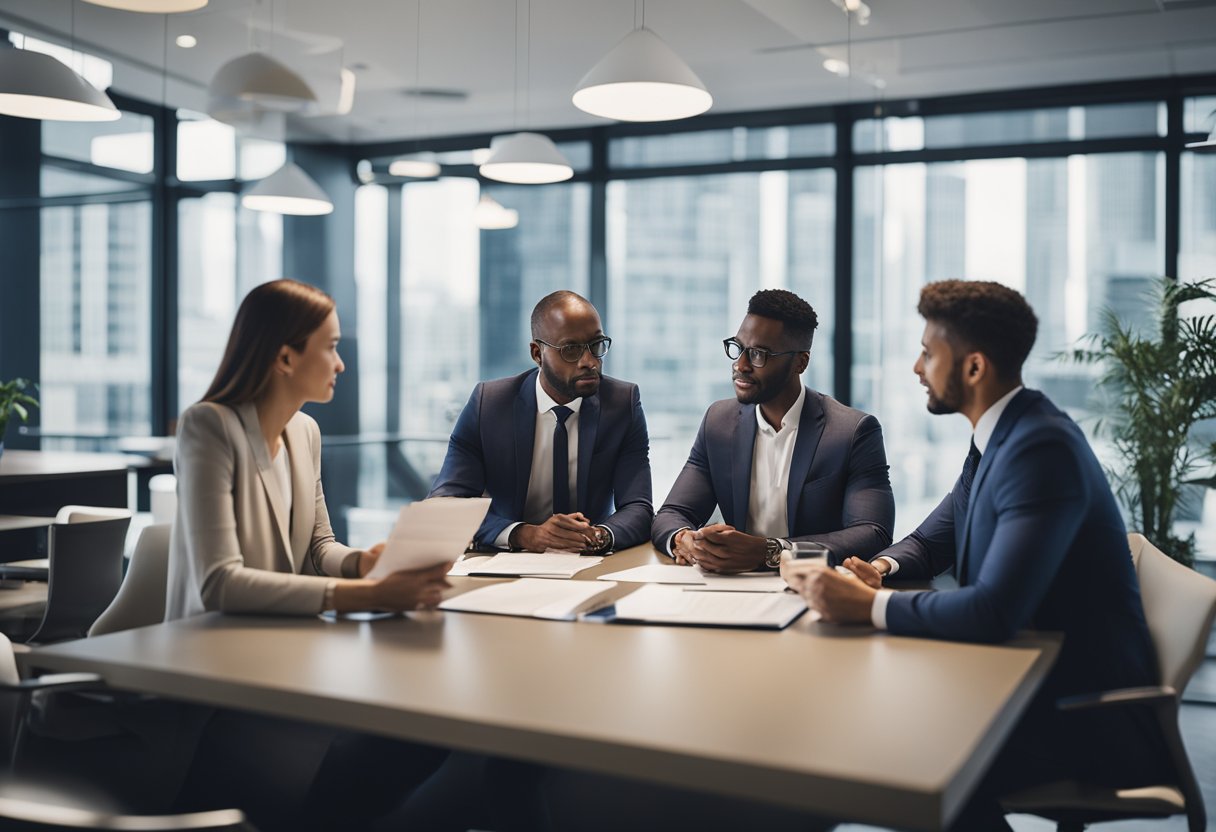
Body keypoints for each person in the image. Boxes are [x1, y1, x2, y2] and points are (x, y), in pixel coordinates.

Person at [795, 280, 1169, 831]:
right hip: (1024, 681)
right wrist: (875, 572)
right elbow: (930, 540)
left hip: (1083, 719)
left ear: (972, 368)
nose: (917, 368)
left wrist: (864, 608)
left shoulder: (1041, 449)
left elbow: (994, 612)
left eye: (928, 352)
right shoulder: (997, 437)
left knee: (891, 748)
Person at [166, 279, 450, 831]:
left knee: (413, 737)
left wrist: (364, 562)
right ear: (285, 355)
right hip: (213, 658)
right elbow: (220, 583)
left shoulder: (305, 432)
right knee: (386, 743)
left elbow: (318, 546)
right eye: (332, 346)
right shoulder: (209, 426)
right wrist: (365, 594)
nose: (341, 364)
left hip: (283, 646)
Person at [651, 289, 894, 572]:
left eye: (758, 354)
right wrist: (684, 539)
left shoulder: (852, 431)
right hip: (730, 587)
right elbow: (673, 513)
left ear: (800, 362)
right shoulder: (718, 422)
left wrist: (770, 552)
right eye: (738, 347)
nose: (740, 365)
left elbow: (872, 532)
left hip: (815, 587)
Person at [429, 290, 653, 553]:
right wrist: (525, 535)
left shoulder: (622, 404)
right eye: (571, 350)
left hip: (590, 563)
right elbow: (446, 505)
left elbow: (639, 507)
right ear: (537, 353)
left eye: (596, 345)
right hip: (506, 564)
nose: (590, 362)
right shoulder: (489, 405)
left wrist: (598, 536)